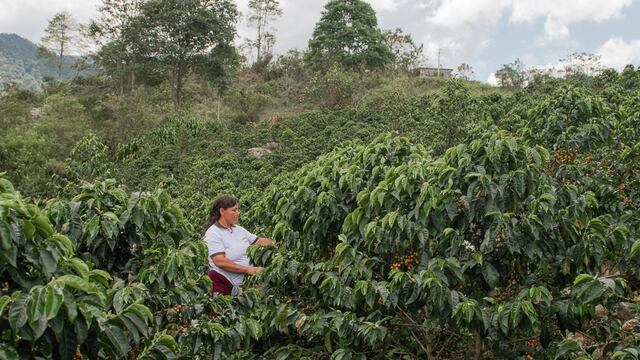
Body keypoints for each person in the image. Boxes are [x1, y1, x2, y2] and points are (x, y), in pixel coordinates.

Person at [203, 195, 275, 296]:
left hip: (244, 285)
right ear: (222, 211)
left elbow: (258, 241)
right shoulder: (213, 233)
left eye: (237, 210)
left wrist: (276, 243)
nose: (238, 213)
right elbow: (220, 261)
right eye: (234, 210)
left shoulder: (238, 229)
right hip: (224, 286)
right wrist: (248, 269)